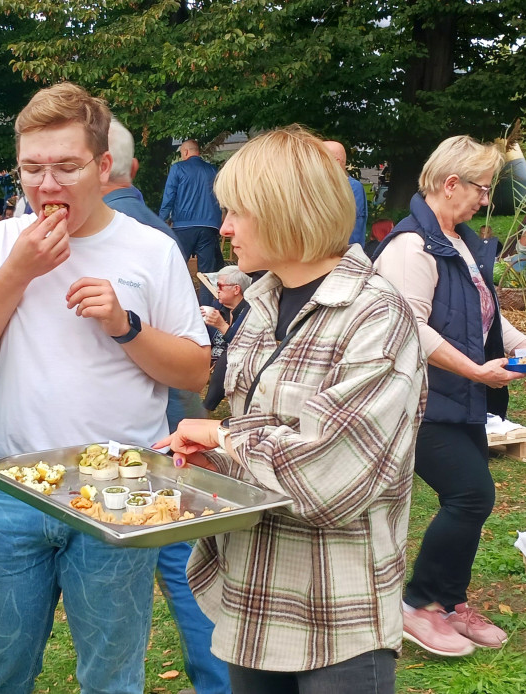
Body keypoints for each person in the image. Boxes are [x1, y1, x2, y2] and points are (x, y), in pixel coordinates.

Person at [0, 82, 210, 694]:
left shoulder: (151, 248)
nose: (46, 185)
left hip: (121, 486)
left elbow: (195, 373)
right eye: (32, 169)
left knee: (112, 673)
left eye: (66, 167)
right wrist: (19, 269)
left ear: (101, 167)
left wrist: (126, 326)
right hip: (10, 486)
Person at [157, 126, 425, 693]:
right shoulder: (261, 304)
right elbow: (260, 429)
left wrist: (223, 438)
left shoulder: (375, 317)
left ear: (286, 211)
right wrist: (201, 457)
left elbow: (329, 477)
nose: (223, 228)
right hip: (252, 596)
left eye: (235, 212)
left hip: (337, 613)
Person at [373, 135, 526, 656]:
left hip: (462, 400)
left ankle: (448, 603)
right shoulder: (410, 247)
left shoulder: (454, 240)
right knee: (472, 495)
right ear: (450, 183)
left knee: (471, 499)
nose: (486, 200)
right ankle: (418, 605)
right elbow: (408, 329)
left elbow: (487, 319)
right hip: (420, 402)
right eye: (481, 188)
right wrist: (477, 372)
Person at [102, 117, 229, 694]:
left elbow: (191, 357)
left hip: (143, 437)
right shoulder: (158, 230)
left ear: (100, 165)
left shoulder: (133, 235)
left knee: (170, 560)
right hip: (173, 421)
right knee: (184, 561)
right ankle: (218, 681)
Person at [159, 139, 224, 303]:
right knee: (206, 275)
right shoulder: (212, 170)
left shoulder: (178, 168)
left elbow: (169, 197)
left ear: (186, 152)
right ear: (198, 152)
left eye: (181, 153)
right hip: (209, 227)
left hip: (183, 226)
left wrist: (160, 221)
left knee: (175, 270)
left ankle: (175, 307)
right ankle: (207, 314)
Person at [201, 265, 251, 412]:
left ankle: (206, 407)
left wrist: (221, 325)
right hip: (207, 357)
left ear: (236, 289)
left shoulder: (249, 311)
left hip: (235, 362)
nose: (217, 290)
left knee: (227, 356)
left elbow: (242, 344)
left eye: (220, 286)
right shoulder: (218, 306)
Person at [322, 140, 368, 245]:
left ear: (336, 161)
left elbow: (352, 233)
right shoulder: (320, 186)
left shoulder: (352, 188)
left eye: (320, 157)